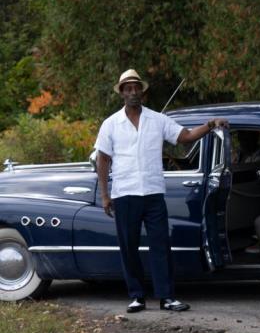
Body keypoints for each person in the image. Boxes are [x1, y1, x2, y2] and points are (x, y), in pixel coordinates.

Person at [95, 69, 228, 313]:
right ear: (122, 93)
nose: (133, 92)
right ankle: (136, 296)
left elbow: (185, 136)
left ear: (142, 92)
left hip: (153, 193)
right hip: (124, 193)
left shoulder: (157, 120)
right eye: (128, 88)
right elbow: (102, 160)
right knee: (128, 246)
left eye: (137, 87)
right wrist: (105, 195)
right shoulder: (111, 124)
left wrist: (210, 125)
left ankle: (167, 297)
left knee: (161, 245)